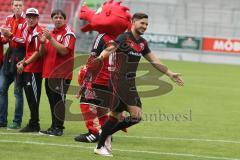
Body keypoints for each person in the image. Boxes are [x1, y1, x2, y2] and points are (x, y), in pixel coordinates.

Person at [88, 13, 184, 156]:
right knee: (126, 116)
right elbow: (110, 49)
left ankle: (105, 133)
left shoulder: (142, 43)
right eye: (142, 23)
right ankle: (100, 145)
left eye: (146, 24)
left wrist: (170, 73)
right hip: (118, 82)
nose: (144, 26)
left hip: (129, 83)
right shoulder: (124, 38)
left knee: (127, 116)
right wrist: (100, 58)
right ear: (133, 22)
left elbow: (154, 60)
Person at [4, 8, 43, 132]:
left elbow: (38, 53)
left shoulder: (38, 31)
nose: (31, 19)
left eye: (33, 17)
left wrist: (25, 62)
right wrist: (24, 61)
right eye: (29, 17)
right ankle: (33, 123)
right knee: (30, 97)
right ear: (26, 18)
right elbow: (27, 47)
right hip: (28, 67)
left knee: (33, 97)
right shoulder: (28, 29)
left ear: (37, 18)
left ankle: (35, 124)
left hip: (34, 69)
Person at [38, 9, 76, 136]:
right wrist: (43, 43)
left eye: (60, 17)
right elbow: (42, 53)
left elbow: (64, 51)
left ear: (64, 19)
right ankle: (53, 126)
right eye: (55, 17)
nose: (58, 19)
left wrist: (50, 39)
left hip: (61, 74)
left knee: (59, 101)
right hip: (49, 73)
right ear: (52, 19)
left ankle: (59, 128)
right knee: (52, 101)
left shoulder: (68, 33)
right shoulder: (51, 33)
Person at [0, 0, 26, 129]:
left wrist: (11, 36)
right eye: (15, 5)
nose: (17, 7)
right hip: (9, 55)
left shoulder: (27, 21)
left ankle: (17, 121)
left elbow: (25, 41)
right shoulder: (8, 19)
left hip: (20, 55)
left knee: (17, 92)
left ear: (23, 7)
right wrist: (4, 38)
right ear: (12, 7)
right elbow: (4, 39)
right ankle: (2, 120)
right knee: (1, 89)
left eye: (20, 5)